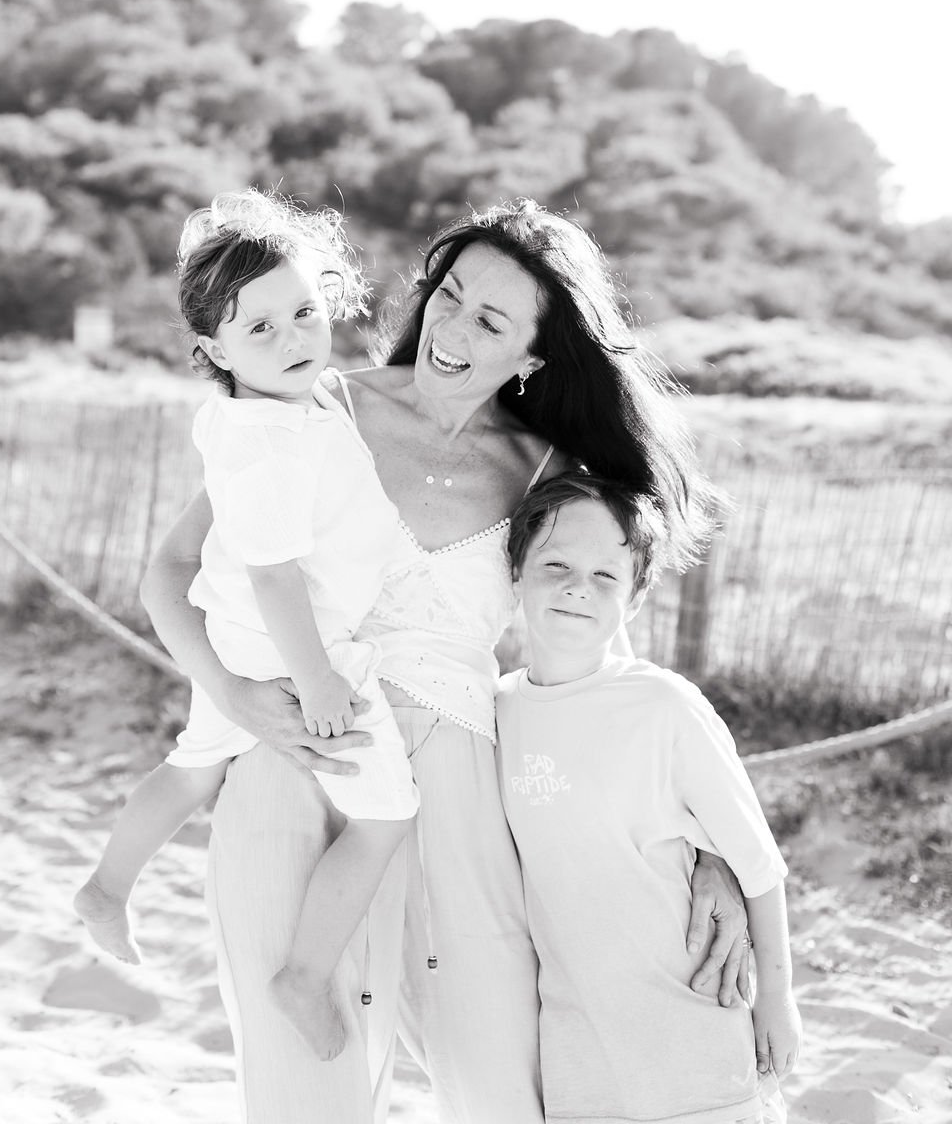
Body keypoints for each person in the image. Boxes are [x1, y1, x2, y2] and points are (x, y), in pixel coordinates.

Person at [140, 197, 751, 1124]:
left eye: (490, 319)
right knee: (301, 1084)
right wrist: (231, 693)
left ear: (535, 358)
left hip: (458, 789)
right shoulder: (313, 406)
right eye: (449, 295)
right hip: (299, 753)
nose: (450, 326)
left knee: (498, 1084)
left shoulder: (553, 475)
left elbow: (596, 687)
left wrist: (711, 850)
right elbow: (173, 570)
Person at [75, 190, 418, 1062]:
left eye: (304, 312)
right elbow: (273, 577)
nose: (294, 339)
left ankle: (108, 887)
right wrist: (319, 681)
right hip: (288, 647)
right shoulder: (270, 442)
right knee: (384, 816)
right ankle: (304, 972)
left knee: (194, 766)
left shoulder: (270, 410)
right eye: (259, 330)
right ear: (211, 351)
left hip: (236, 639)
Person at [497, 470, 801, 1124]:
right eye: (555, 563)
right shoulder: (497, 713)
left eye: (607, 576)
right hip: (581, 1050)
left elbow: (758, 861)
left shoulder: (664, 706)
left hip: (695, 1026)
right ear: (514, 573)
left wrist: (778, 998)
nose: (579, 586)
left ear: (634, 601)